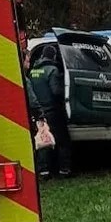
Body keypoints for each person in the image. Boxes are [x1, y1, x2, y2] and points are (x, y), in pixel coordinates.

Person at [29, 45, 72, 179]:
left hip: (38, 112)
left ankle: (43, 171)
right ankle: (64, 170)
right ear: (53, 56)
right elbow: (56, 91)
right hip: (53, 111)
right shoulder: (53, 70)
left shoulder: (32, 71)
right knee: (62, 140)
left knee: (43, 139)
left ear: (42, 56)